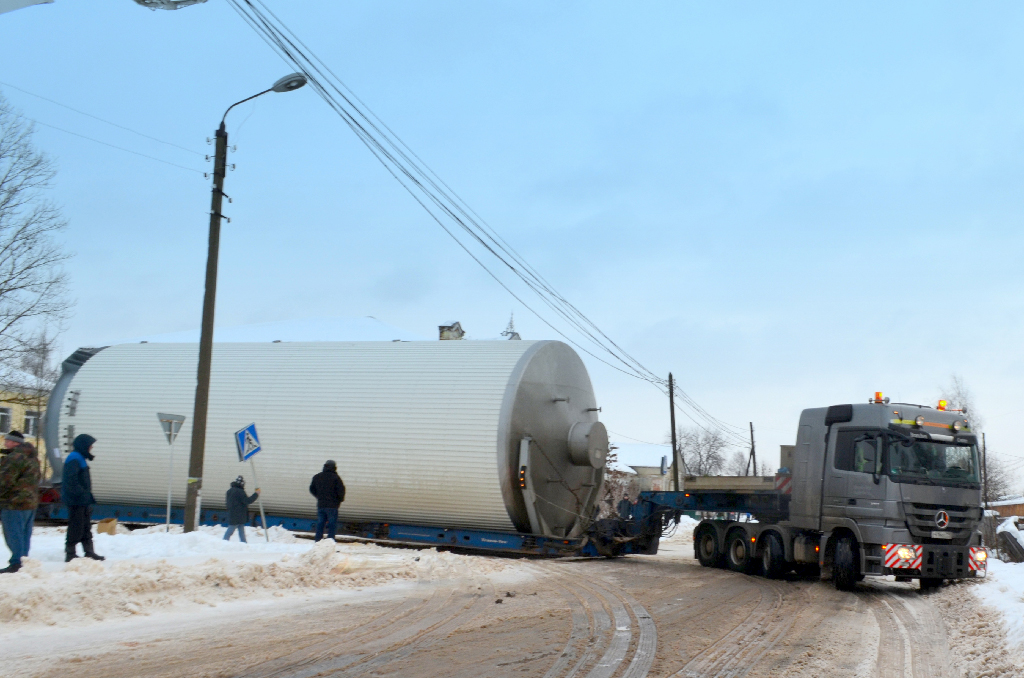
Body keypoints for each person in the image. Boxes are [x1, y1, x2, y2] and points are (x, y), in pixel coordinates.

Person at [0, 431, 41, 573]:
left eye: (7, 440)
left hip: (14, 503)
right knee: (24, 534)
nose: (5, 443)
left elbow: (4, 481)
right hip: (30, 502)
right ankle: (23, 561)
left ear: (15, 442)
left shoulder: (14, 458)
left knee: (13, 534)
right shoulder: (32, 457)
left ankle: (16, 563)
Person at [63, 433, 104, 562]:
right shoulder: (74, 458)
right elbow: (71, 480)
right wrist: (81, 494)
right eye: (90, 445)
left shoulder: (79, 457)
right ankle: (70, 554)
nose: (91, 447)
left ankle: (89, 551)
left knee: (85, 526)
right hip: (76, 500)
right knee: (76, 526)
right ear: (83, 445)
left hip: (82, 500)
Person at [309, 460, 345, 542]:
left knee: (320, 524)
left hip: (321, 505)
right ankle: (330, 542)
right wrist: (339, 500)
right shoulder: (336, 478)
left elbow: (312, 489)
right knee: (332, 525)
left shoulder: (317, 477)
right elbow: (341, 491)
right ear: (334, 468)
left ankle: (318, 541)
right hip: (332, 506)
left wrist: (318, 496)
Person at [224, 476, 259, 542]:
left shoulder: (229, 491)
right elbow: (248, 501)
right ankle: (224, 541)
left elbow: (227, 503)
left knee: (239, 529)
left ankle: (244, 543)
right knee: (233, 530)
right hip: (239, 515)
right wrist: (256, 494)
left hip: (232, 513)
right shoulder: (240, 492)